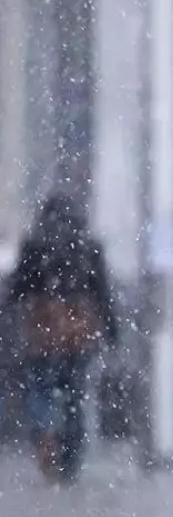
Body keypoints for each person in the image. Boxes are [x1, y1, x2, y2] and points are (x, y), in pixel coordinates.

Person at [6, 194, 117, 482]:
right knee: (75, 395)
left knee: (41, 388)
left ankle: (45, 437)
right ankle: (70, 459)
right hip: (79, 329)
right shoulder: (89, 246)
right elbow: (102, 293)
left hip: (43, 327)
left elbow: (18, 287)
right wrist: (112, 330)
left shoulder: (35, 244)